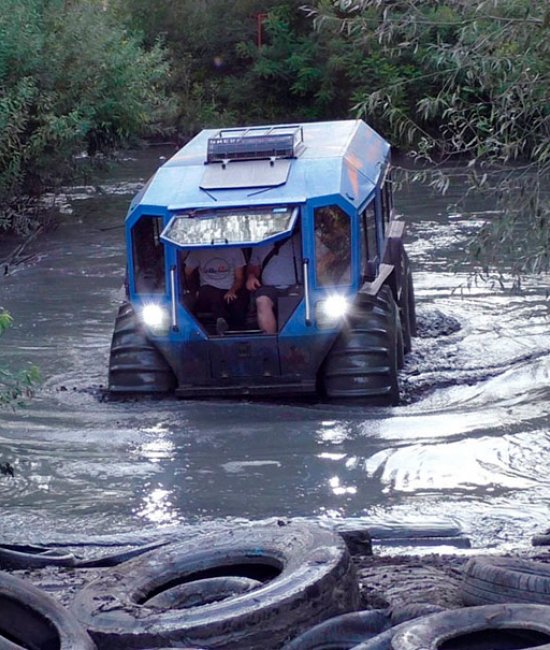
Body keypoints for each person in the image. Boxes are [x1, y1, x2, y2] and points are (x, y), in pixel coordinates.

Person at [246, 232, 301, 334]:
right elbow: (253, 267)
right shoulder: (261, 241)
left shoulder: (300, 238)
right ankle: (270, 340)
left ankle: (291, 339)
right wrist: (251, 276)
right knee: (262, 300)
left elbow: (326, 254)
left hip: (295, 286)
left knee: (294, 298)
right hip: (269, 287)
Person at [185, 247, 248, 334]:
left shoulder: (235, 250)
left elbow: (239, 278)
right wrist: (193, 290)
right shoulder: (198, 250)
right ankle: (220, 320)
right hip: (207, 291)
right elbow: (186, 272)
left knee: (237, 302)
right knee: (212, 293)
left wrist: (232, 290)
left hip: (228, 290)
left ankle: (239, 333)